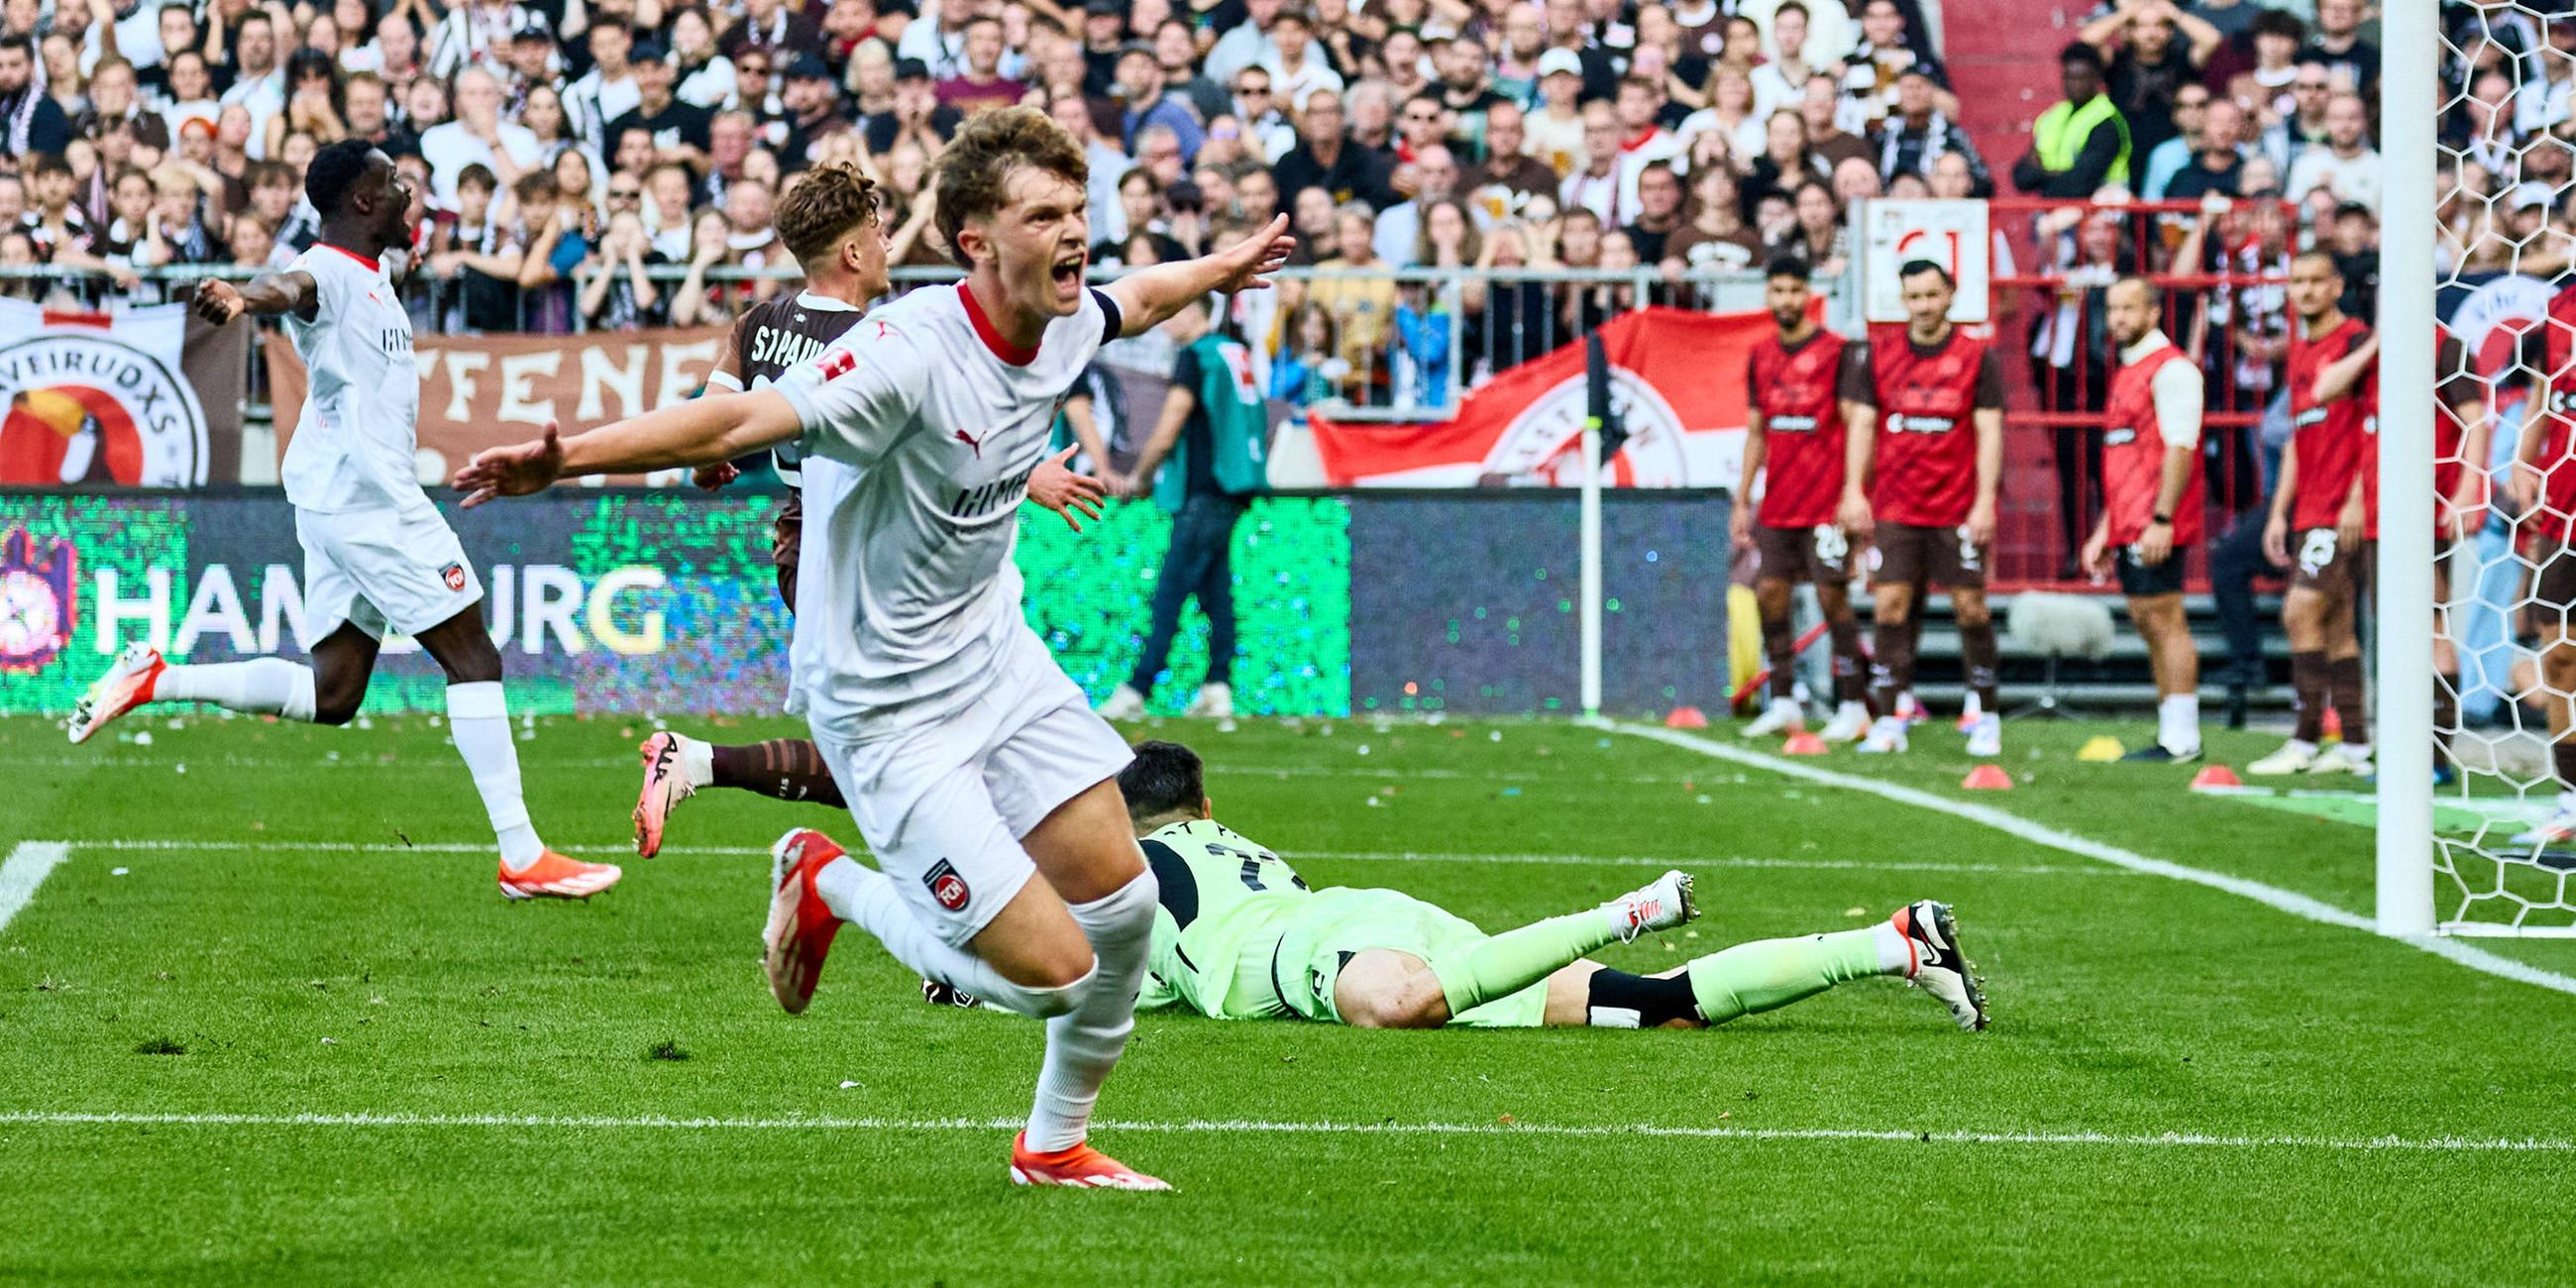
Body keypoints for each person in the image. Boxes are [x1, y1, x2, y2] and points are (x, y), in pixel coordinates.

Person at [453, 107, 1296, 1191]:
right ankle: (827, 878)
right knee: (1051, 976)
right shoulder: (901, 355)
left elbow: (1140, 298)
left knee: (1128, 910)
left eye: (1075, 210)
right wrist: (562, 460)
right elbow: (727, 426)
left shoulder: (1068, 313)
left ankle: (1051, 1146)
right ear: (972, 241)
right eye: (1043, 214)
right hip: (884, 706)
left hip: (996, 659)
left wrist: (1225, 264)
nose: (1072, 234)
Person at [68, 142, 620, 903]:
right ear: (361, 202)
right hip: (371, 503)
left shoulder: (374, 274)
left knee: (335, 695)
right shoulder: (326, 269)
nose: (407, 191)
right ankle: (522, 855)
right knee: (474, 658)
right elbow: (287, 285)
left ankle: (158, 678)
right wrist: (241, 296)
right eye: (393, 183)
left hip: (337, 499)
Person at [629, 163, 1101, 857]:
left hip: (802, 550)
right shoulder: (881, 342)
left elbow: (711, 424)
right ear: (853, 252)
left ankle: (699, 763)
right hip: (872, 560)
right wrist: (1027, 475)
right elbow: (947, 441)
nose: (884, 244)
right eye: (877, 232)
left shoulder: (758, 324)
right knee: (925, 758)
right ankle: (940, 926)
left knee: (922, 755)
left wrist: (709, 465)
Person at [915, 741, 1988, 1034]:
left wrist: (967, 976)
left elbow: (1064, 962)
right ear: (1199, 801)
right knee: (1657, 1003)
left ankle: (1624, 904)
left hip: (1308, 958)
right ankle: (1894, 942)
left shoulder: (1137, 864)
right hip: (1375, 911)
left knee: (1403, 1010)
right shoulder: (1232, 845)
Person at [1839, 259, 2007, 757]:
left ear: (1950, 294)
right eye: (1914, 297)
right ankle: (1891, 716)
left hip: (1956, 506)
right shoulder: (1882, 355)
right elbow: (1863, 425)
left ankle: (1986, 712)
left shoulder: (1978, 357)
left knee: (1970, 607)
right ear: (1903, 299)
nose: (1924, 306)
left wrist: (1983, 502)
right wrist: (1853, 489)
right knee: (1890, 606)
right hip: (1897, 504)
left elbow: (1990, 430)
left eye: (1932, 296)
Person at [1098, 294, 1268, 721]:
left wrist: (1139, 476)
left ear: (1193, 312)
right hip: (1234, 482)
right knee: (1214, 590)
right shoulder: (1233, 352)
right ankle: (1218, 685)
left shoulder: (1196, 356)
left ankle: (1137, 688)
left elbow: (1171, 424)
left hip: (1205, 486)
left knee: (1171, 590)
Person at [1735, 256, 1871, 744]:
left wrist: (1854, 491)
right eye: (1778, 291)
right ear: (1768, 295)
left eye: (1795, 290)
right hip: (1778, 501)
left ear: (1808, 294)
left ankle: (1854, 704)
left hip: (1825, 503)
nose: (1786, 300)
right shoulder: (1761, 355)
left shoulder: (1838, 353)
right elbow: (1756, 431)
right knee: (1769, 593)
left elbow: (1857, 422)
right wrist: (1741, 498)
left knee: (1832, 597)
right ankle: (1786, 701)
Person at [2251, 253, 2374, 777]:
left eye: (2315, 280)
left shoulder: (2357, 342)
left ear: (2336, 286)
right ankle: (2353, 747)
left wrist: (2356, 497)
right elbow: (2301, 438)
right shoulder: (2301, 349)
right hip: (2310, 507)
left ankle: (2303, 740)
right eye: (2296, 281)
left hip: (2341, 507)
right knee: (2338, 625)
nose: (2304, 290)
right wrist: (2280, 512)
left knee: (2299, 611)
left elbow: (2375, 427)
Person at [2081, 277, 2205, 763]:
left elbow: (2180, 446)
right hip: (2130, 519)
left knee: (2165, 618)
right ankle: (2170, 731)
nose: (2119, 318)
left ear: (2153, 312)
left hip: (2155, 518)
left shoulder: (2172, 369)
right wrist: (2104, 529)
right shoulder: (2130, 369)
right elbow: (2124, 460)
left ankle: (2183, 736)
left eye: (2129, 308)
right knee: (2147, 619)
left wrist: (2162, 517)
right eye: (2113, 309)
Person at [2010, 42, 2129, 197]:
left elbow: (2080, 184)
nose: (2074, 85)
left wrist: (2043, 175)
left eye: (2081, 78)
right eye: (2069, 77)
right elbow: (2022, 178)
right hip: (2054, 208)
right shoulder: (2052, 116)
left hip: (2098, 210)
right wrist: (2060, 177)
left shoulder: (2106, 120)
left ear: (2097, 78)